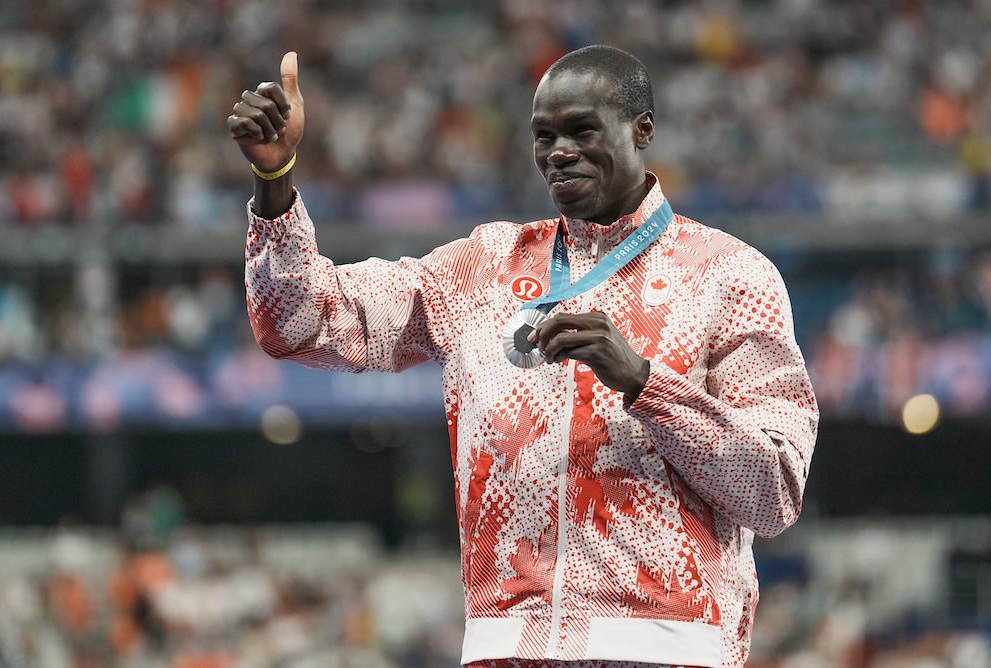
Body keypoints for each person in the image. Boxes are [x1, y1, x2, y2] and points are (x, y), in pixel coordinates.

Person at [229, 45, 818, 668]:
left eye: (582, 129)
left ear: (642, 129)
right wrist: (275, 182)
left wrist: (646, 384)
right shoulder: (479, 270)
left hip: (670, 649)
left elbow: (773, 490)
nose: (558, 151)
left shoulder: (731, 277)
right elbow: (300, 323)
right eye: (544, 135)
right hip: (506, 646)